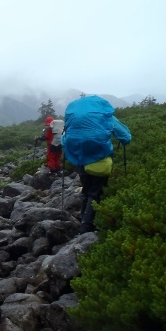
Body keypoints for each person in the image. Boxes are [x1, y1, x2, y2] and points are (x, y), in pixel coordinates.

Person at [62, 95, 131, 233]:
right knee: (95, 192)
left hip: (80, 159)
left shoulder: (73, 119)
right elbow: (125, 137)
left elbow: (65, 138)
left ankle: (84, 219)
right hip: (100, 158)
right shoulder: (105, 116)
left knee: (86, 190)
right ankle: (86, 226)